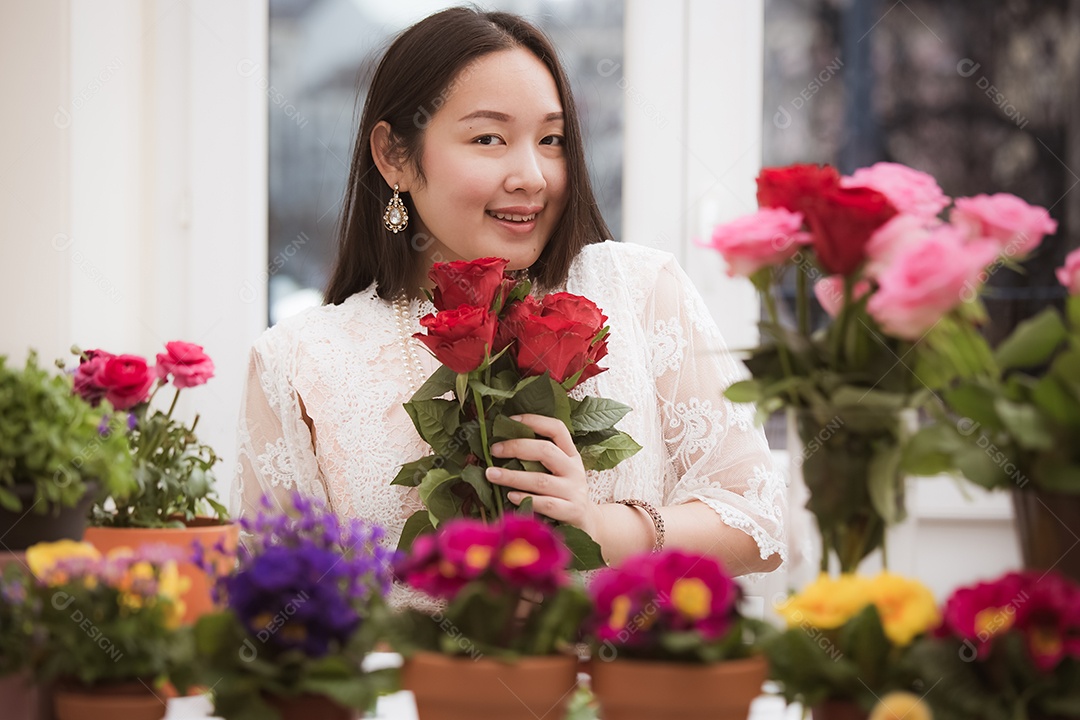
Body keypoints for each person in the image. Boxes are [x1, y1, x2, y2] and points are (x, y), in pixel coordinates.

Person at [232, 7, 785, 599]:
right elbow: (277, 607)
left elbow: (758, 520)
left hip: (615, 687)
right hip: (414, 692)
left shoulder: (640, 289)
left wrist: (603, 526)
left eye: (551, 140)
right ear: (394, 155)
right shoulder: (300, 361)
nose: (532, 175)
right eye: (489, 138)